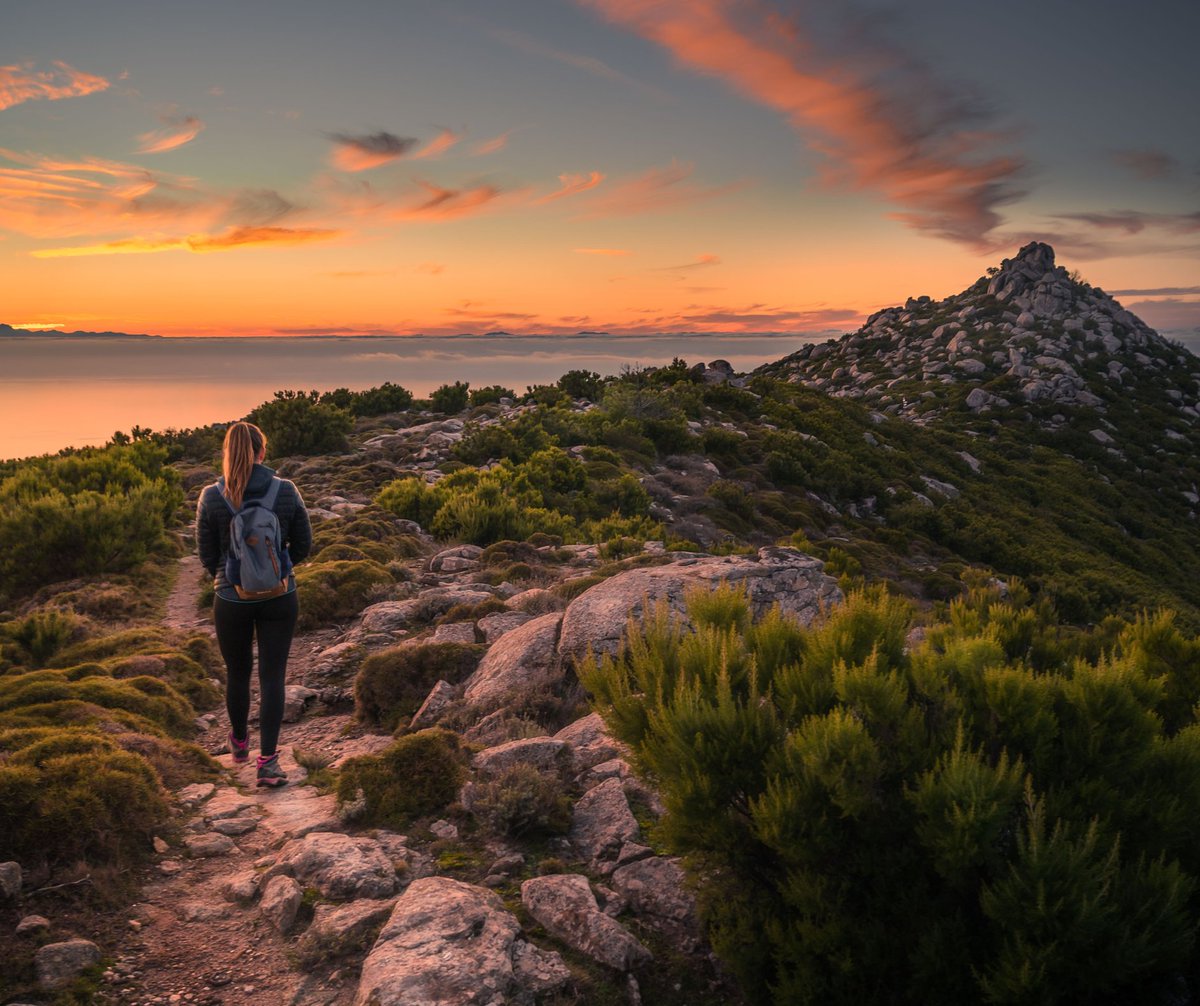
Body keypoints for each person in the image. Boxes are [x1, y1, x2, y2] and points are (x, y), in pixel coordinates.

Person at [196, 421, 312, 787]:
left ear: (227, 454)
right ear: (262, 451)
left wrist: (232, 577)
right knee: (273, 676)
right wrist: (276, 570)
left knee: (238, 673)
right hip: (280, 596)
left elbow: (206, 555)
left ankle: (240, 743)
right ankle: (268, 763)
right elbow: (304, 545)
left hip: (231, 598)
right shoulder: (285, 490)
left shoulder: (211, 496)